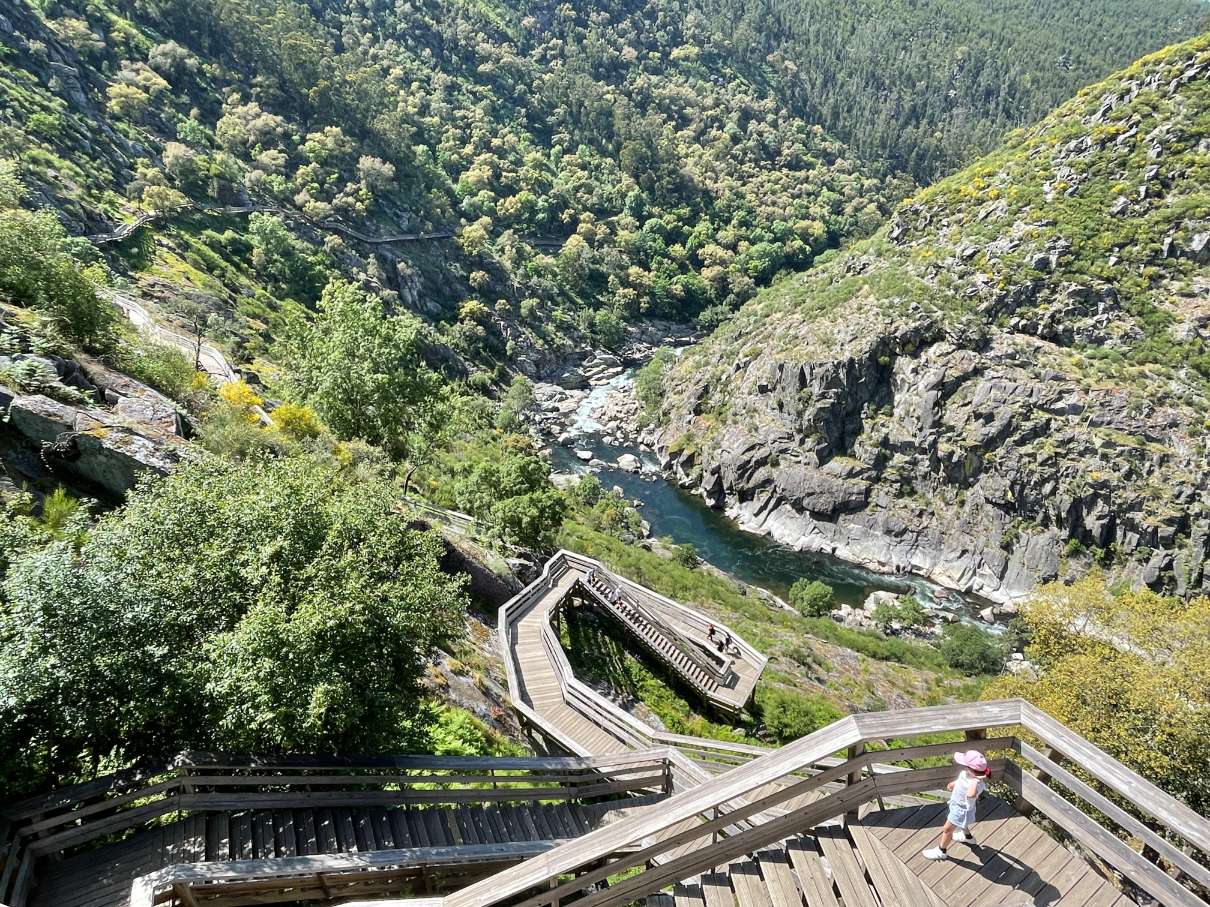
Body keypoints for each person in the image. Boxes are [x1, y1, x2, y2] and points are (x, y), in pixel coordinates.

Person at [923, 750, 990, 860]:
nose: (963, 766)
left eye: (965, 765)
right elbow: (962, 780)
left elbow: (970, 794)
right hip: (956, 804)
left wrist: (975, 780)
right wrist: (954, 783)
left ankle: (941, 851)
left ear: (971, 770)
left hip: (962, 810)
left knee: (947, 830)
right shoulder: (965, 773)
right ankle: (967, 837)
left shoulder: (978, 784)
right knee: (961, 823)